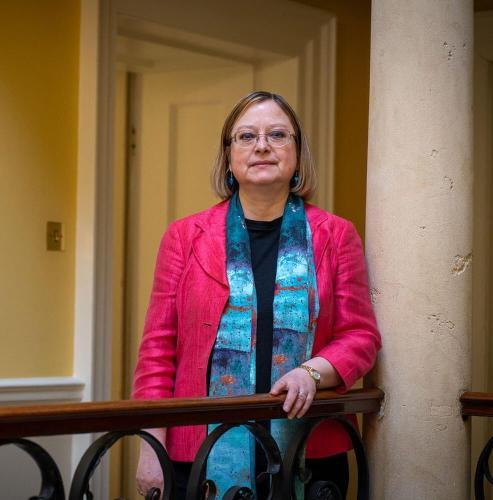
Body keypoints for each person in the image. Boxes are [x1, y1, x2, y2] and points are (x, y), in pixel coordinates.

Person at [133, 91, 381, 499]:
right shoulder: (184, 237)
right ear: (229, 156)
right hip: (197, 454)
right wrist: (150, 446)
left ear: (297, 154)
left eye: (278, 134)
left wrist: (312, 372)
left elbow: (360, 337)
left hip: (311, 454)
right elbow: (158, 350)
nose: (262, 146)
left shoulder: (336, 235)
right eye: (246, 136)